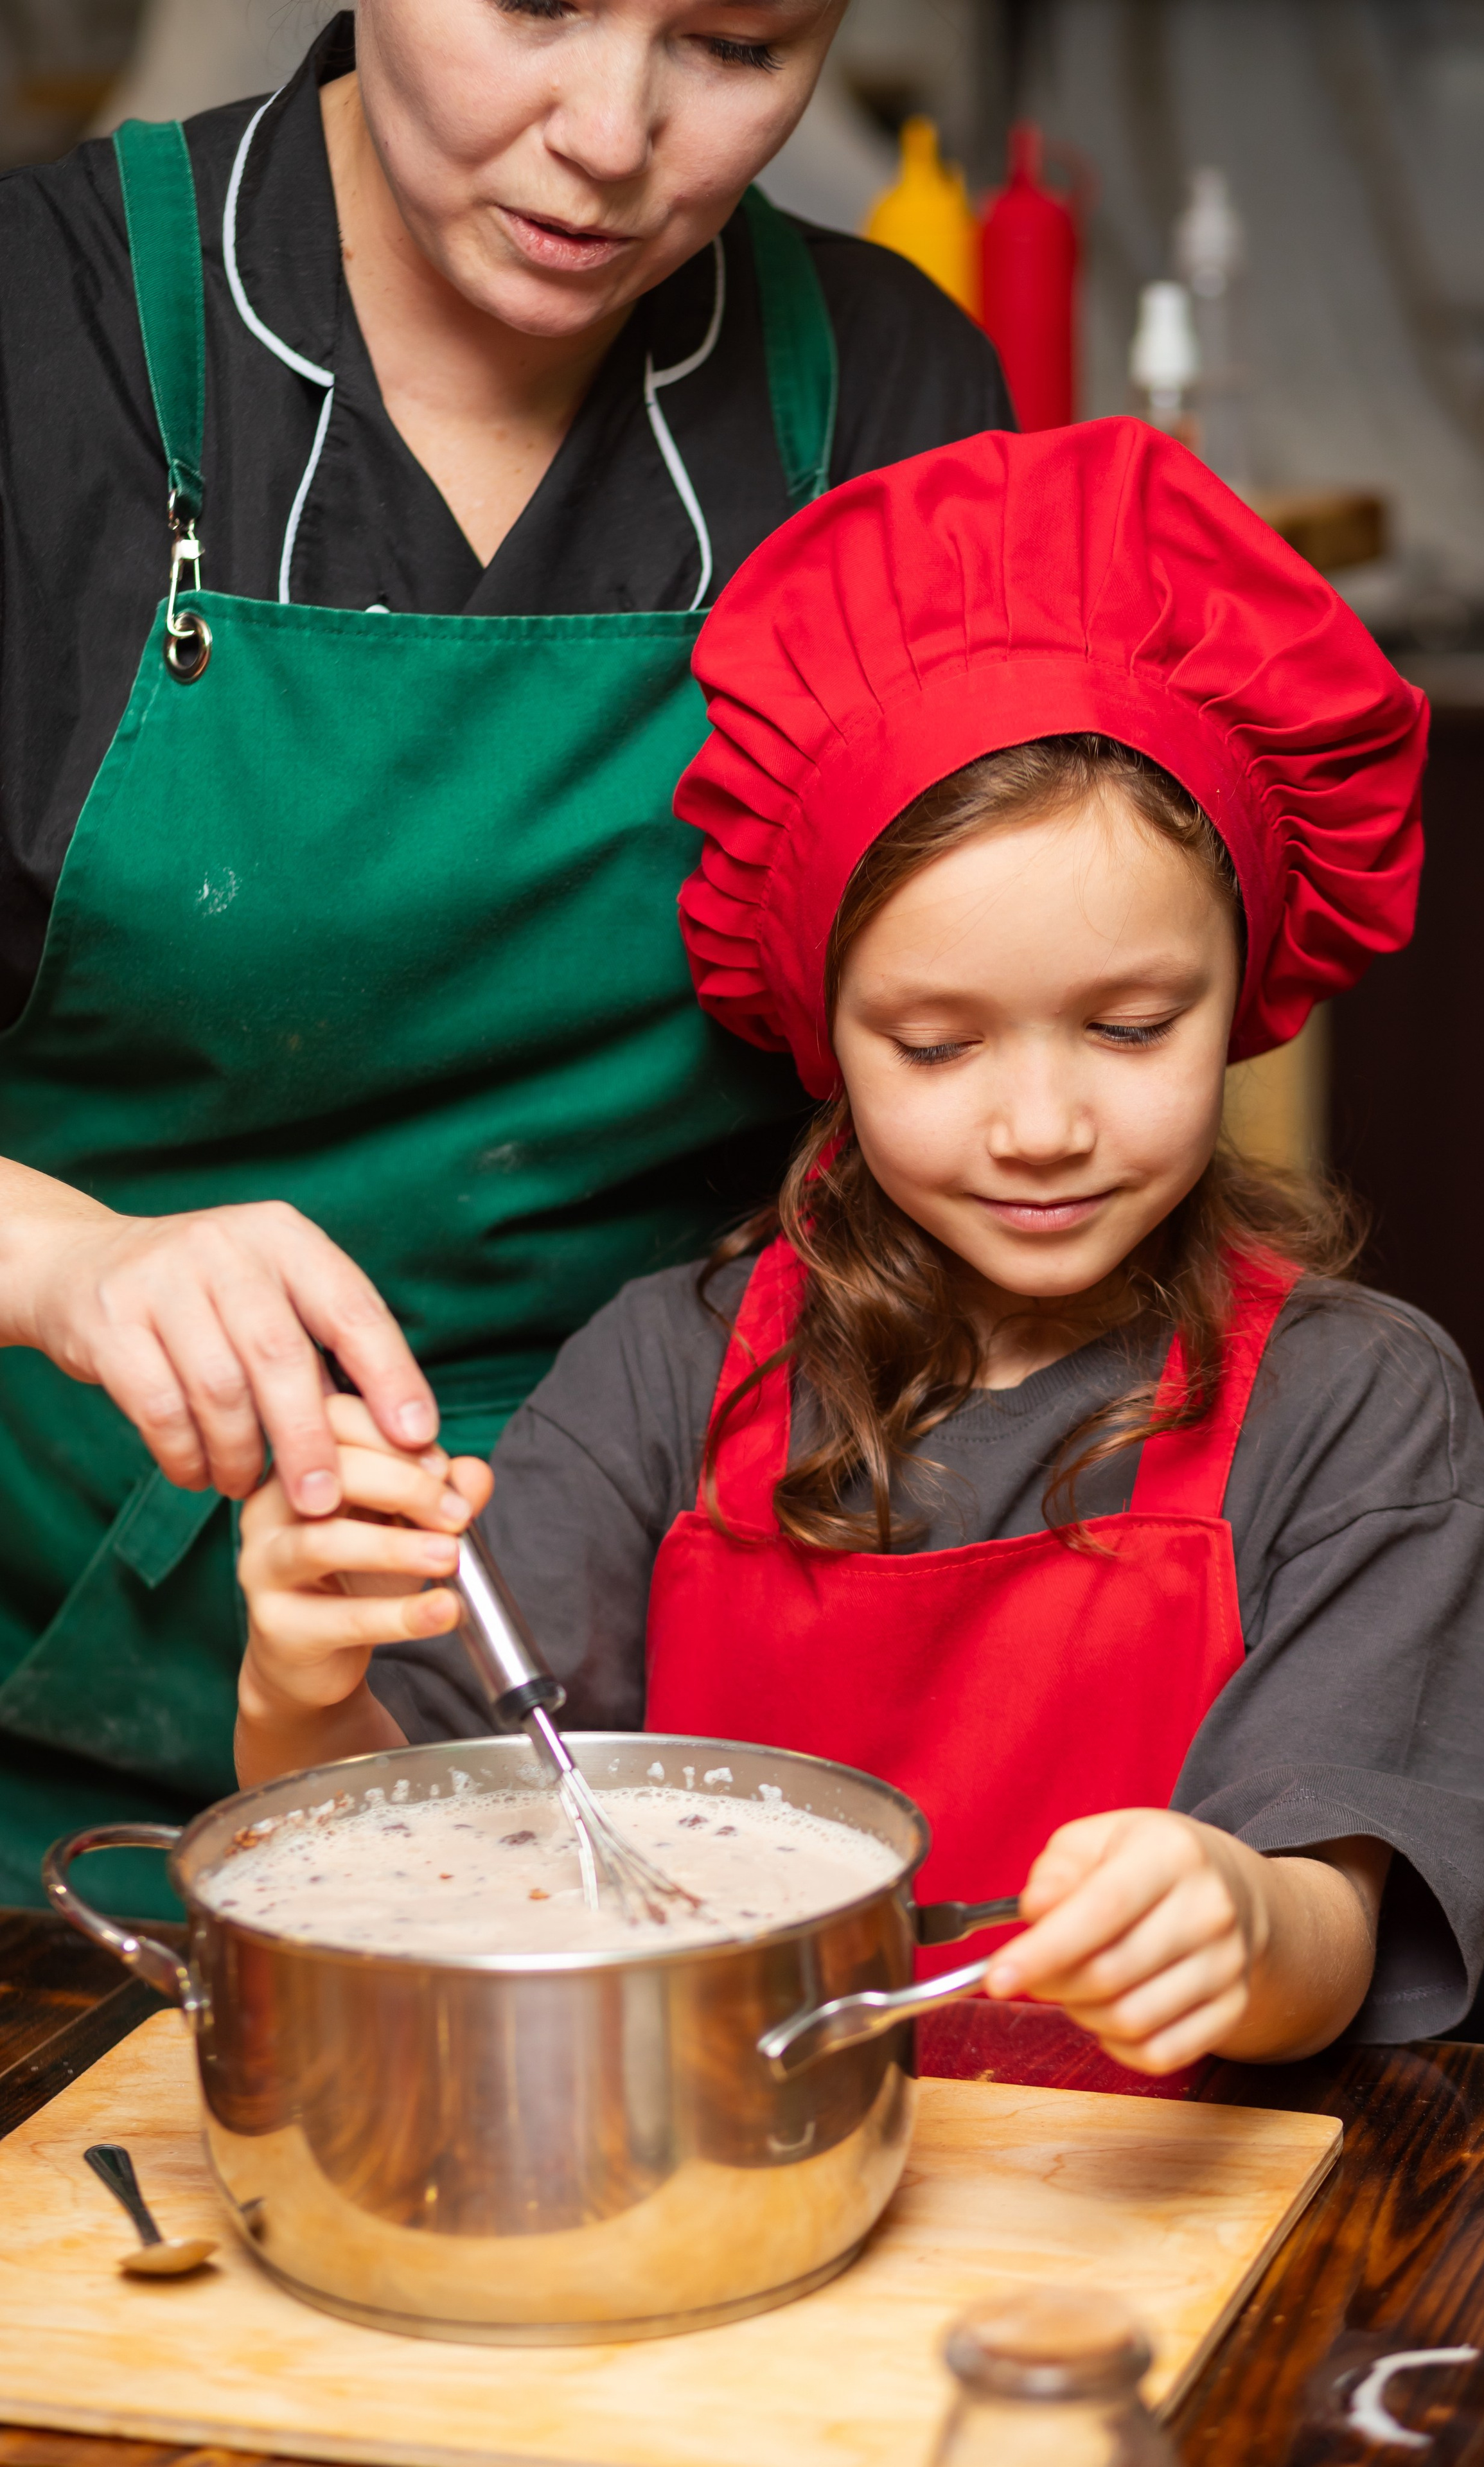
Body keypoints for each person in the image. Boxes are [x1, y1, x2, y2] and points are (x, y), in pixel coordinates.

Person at [236, 422, 1484, 2073]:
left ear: (1244, 992)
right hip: (715, 2205)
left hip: (1149, 2252)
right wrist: (300, 1685)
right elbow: (388, 1851)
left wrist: (1242, 1918)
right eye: (935, 1046)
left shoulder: (1357, 1409)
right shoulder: (663, 1373)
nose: (1040, 1122)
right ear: (820, 1028)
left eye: (1130, 1027)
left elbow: (1331, 1925)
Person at [0, 1, 1012, 1907]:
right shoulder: (39, 346)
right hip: (47, 1783)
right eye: (538, 5)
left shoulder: (889, 408)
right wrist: (64, 1262)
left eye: (736, 42)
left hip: (671, 1763)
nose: (614, 133)